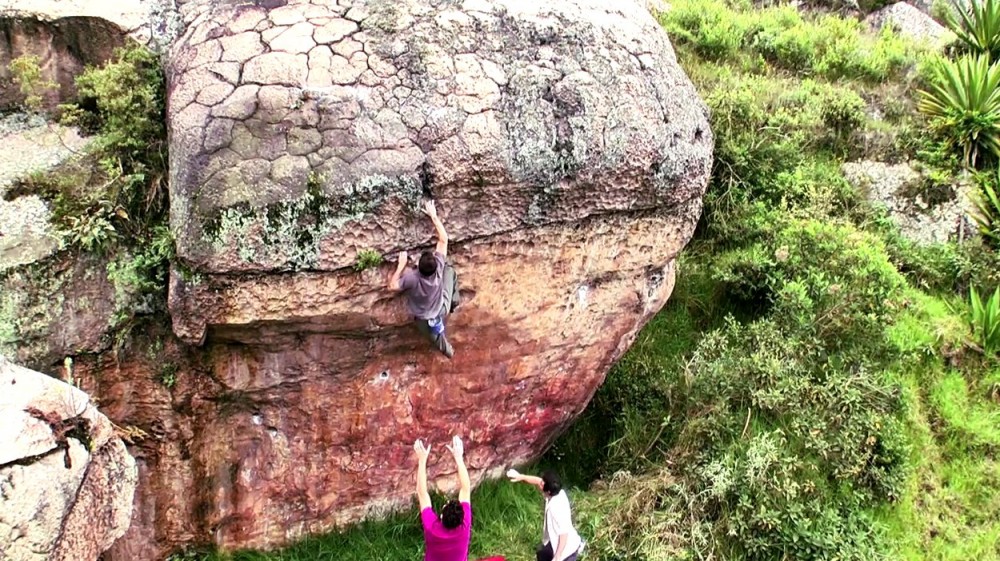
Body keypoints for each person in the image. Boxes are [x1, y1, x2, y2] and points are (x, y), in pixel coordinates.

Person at [388, 200, 460, 358]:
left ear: (418, 267)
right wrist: (433, 216)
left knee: (439, 342)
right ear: (435, 266)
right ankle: (454, 302)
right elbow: (443, 239)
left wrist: (401, 265)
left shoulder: (412, 278)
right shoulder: (440, 267)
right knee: (451, 272)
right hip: (442, 307)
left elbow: (392, 286)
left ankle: (450, 354)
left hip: (424, 319)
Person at [414, 436, 472, 561]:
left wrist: (422, 460)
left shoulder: (432, 528)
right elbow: (465, 489)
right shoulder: (465, 526)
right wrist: (459, 458)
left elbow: (422, 493)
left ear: (441, 517)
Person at [507, 469, 582, 561]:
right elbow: (537, 481)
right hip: (555, 541)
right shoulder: (557, 491)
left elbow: (564, 534)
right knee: (542, 554)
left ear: (548, 492)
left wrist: (557, 557)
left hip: (567, 550)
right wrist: (521, 476)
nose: (540, 483)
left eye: (543, 483)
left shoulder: (556, 508)